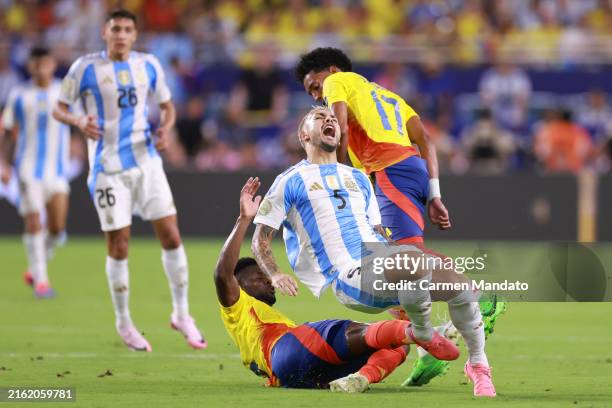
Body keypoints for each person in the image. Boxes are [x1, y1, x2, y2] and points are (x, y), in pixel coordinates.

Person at [251, 107, 496, 397]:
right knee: (414, 261)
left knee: (463, 287)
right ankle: (422, 331)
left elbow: (377, 232)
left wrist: (399, 270)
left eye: (333, 118)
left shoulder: (359, 178)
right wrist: (275, 273)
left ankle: (479, 366)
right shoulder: (288, 181)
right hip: (346, 276)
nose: (330, 119)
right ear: (304, 134)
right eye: (319, 117)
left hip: (381, 263)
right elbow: (260, 239)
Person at [52, 9, 205, 352]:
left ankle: (181, 313)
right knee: (119, 244)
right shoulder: (85, 68)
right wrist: (78, 121)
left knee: (171, 235)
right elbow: (58, 107)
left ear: (135, 35)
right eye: (115, 28)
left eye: (127, 29)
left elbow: (167, 107)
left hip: (147, 162)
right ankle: (124, 321)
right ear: (105, 32)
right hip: (107, 169)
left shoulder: (148, 65)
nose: (121, 34)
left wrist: (165, 129)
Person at [215, 176, 417, 392]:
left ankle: (362, 379)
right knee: (344, 331)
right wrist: (243, 220)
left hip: (302, 374)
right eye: (258, 278)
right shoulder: (236, 308)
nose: (267, 280)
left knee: (397, 344)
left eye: (265, 276)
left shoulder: (265, 320)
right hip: (286, 349)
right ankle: (426, 332)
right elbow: (222, 275)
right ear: (239, 285)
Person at [1, 46, 70, 298]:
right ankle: (41, 282)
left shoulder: (64, 90)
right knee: (33, 221)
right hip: (28, 169)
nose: (41, 68)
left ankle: (33, 268)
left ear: (52, 64)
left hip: (58, 171)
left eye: (46, 63)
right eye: (36, 64)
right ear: (30, 66)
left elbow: (78, 120)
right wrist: (3, 164)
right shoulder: (19, 94)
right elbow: (7, 131)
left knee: (57, 229)